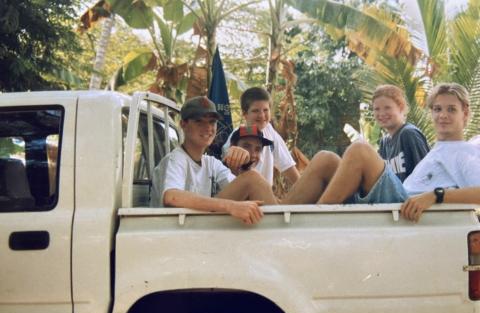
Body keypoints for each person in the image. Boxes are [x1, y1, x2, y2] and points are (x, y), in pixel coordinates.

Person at [286, 83, 480, 221]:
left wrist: (436, 196)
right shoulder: (439, 149)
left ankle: (315, 223)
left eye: (451, 109)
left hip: (402, 207)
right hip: (393, 199)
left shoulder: (465, 152)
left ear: (465, 113)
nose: (443, 115)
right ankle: (276, 218)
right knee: (325, 159)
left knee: (360, 149)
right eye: (437, 109)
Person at [150, 96, 277, 225]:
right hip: (177, 230)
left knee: (254, 179)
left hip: (199, 226)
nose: (207, 128)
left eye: (212, 122)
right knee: (252, 178)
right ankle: (280, 232)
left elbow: (243, 188)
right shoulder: (176, 158)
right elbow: (172, 197)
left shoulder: (211, 162)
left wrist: (243, 165)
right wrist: (230, 206)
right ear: (183, 124)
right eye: (199, 121)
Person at [222, 87, 300, 185]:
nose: (262, 115)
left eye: (265, 110)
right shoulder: (238, 135)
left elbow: (288, 166)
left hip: (265, 196)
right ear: (245, 114)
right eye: (255, 111)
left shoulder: (269, 130)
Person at [373, 84, 430, 181]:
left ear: (400, 107)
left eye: (387, 108)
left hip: (414, 195)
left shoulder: (409, 134)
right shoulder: (384, 142)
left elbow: (427, 175)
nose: (381, 113)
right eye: (377, 109)